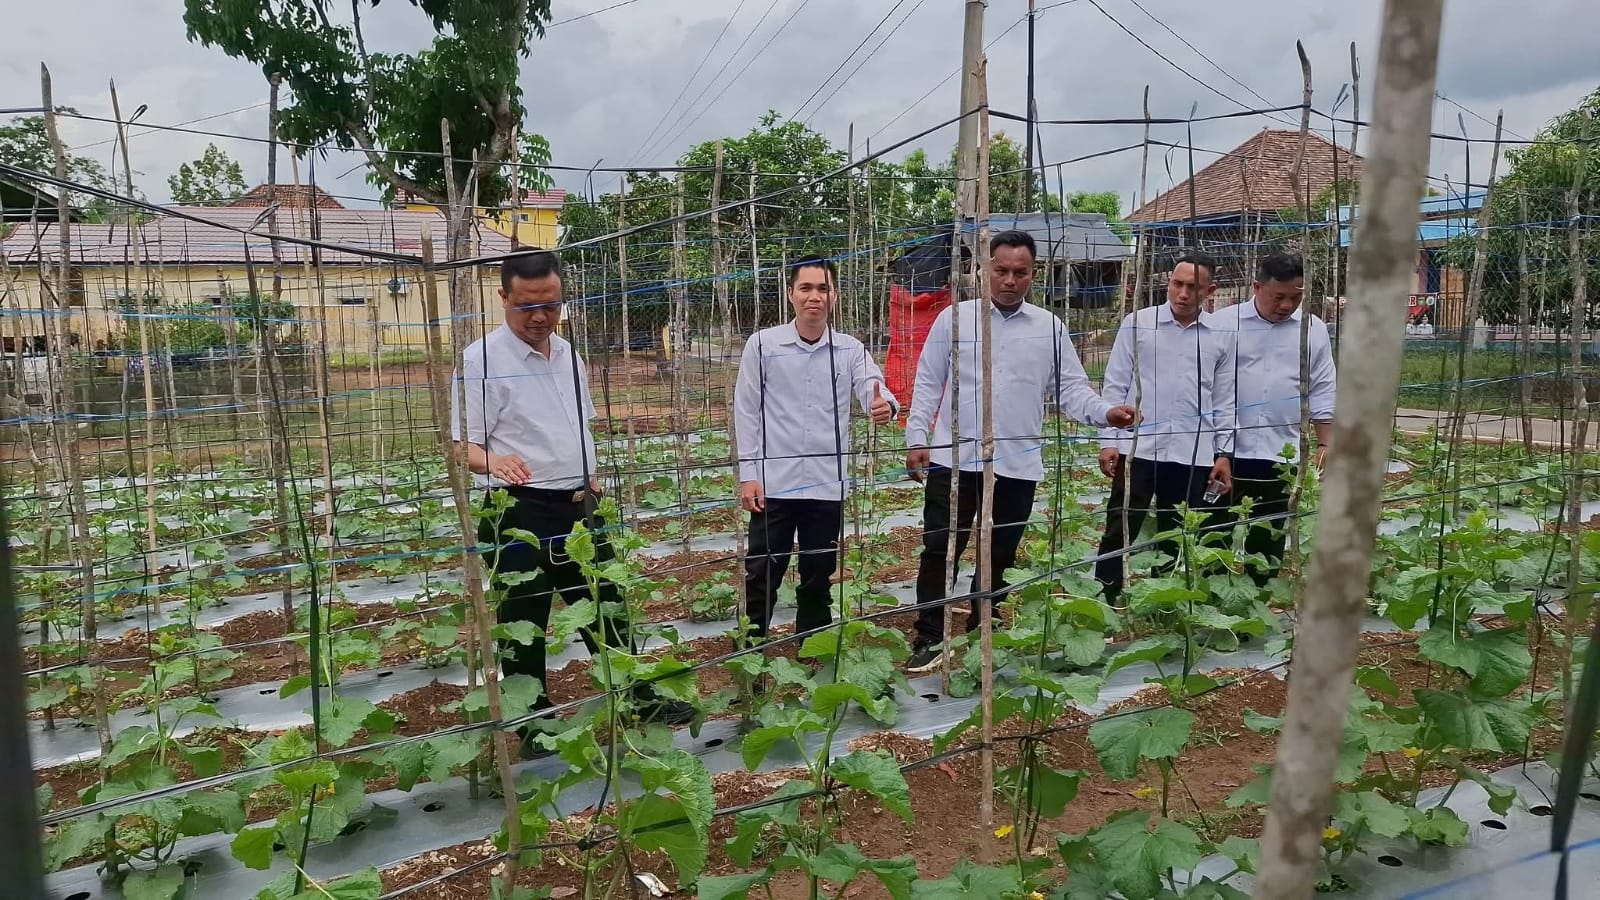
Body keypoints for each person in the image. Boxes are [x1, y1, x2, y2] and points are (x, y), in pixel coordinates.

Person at [452, 250, 691, 754]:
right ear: (503, 299)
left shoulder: (569, 356)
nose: (540, 317)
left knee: (606, 605)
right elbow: (462, 447)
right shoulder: (481, 361)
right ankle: (533, 724)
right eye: (526, 307)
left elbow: (576, 426)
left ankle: (636, 697)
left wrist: (591, 471)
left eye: (551, 305)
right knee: (525, 619)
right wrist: (495, 462)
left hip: (579, 504)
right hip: (518, 510)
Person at [903, 230, 1137, 674]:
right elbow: (928, 383)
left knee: (1000, 553)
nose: (1010, 280)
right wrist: (918, 440)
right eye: (1001, 270)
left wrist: (1107, 414)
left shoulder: (1049, 328)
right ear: (984, 270)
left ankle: (981, 632)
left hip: (1016, 465)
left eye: (1020, 272)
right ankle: (930, 635)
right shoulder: (954, 320)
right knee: (940, 549)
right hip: (955, 461)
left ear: (1034, 275)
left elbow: (1071, 390)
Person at [735, 256, 898, 640]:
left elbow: (873, 386)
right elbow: (746, 412)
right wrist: (749, 475)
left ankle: (813, 648)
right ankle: (752, 648)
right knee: (763, 569)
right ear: (791, 294)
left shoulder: (850, 350)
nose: (814, 297)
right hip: (775, 482)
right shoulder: (763, 346)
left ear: (834, 296)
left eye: (823, 288)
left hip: (827, 484)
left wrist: (884, 404)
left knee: (818, 571)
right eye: (806, 288)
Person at [1095, 251, 1237, 604]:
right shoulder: (1138, 323)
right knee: (1120, 525)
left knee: (1178, 532)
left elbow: (1225, 399)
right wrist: (1108, 441)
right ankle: (1104, 597)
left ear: (1210, 291)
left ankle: (1165, 602)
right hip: (1138, 447)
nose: (1183, 293)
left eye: (1193, 287)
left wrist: (1223, 453)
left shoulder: (1220, 335)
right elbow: (1114, 385)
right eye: (1177, 284)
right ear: (1168, 282)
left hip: (1193, 450)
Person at [1217, 252, 1336, 584]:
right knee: (1216, 531)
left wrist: (1327, 442)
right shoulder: (1223, 324)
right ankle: (1212, 599)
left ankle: (1256, 597)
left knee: (1268, 535)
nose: (1286, 305)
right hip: (1227, 449)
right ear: (1256, 287)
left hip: (1281, 451)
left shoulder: (1313, 330)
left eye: (1295, 297)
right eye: (1278, 296)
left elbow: (1323, 387)